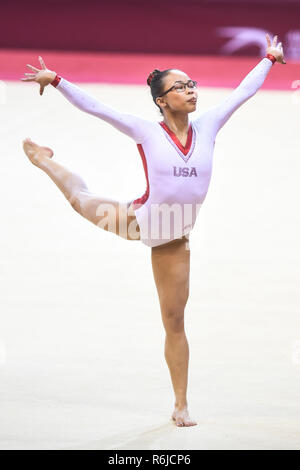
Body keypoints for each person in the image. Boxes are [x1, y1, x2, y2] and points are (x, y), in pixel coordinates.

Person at [21, 33, 285, 427]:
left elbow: (242, 93)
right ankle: (42, 159)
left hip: (173, 241)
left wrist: (269, 57)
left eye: (191, 83)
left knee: (174, 320)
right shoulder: (146, 130)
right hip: (136, 220)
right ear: (162, 100)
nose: (190, 90)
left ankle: (181, 403)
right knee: (81, 200)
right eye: (180, 86)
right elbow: (98, 108)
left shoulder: (209, 125)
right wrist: (56, 80)